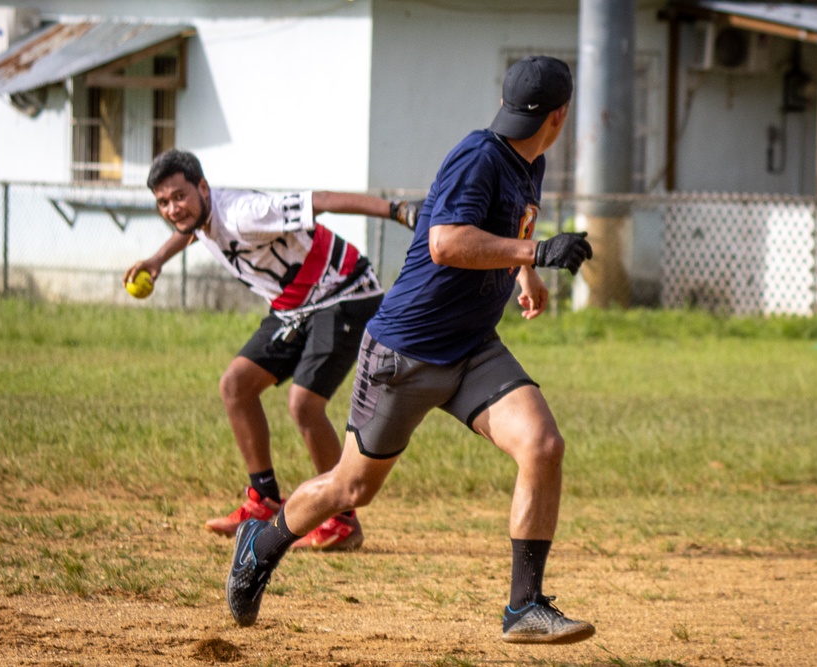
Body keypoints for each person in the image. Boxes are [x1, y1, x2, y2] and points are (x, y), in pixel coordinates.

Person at [225, 55, 595, 644]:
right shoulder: (479, 157)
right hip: (406, 353)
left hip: (473, 347)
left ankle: (524, 607)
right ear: (563, 114)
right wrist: (536, 254)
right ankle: (261, 544)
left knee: (543, 445)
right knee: (351, 489)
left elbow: (515, 228)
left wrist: (525, 271)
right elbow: (446, 242)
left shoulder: (532, 160)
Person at [125, 149, 420, 552]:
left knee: (304, 404)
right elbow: (190, 228)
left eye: (179, 196)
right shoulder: (201, 215)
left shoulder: (245, 212)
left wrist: (399, 211)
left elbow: (323, 201)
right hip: (295, 307)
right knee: (236, 385)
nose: (173, 208)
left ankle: (341, 520)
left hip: (344, 295)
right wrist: (158, 258)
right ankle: (263, 499)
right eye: (163, 202)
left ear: (203, 188)